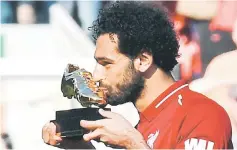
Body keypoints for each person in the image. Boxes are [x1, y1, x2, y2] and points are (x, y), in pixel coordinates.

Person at [42, 1, 233, 149]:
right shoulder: (142, 125)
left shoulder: (202, 114)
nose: (96, 76)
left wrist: (133, 144)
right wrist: (80, 148)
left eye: (106, 64)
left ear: (143, 60)